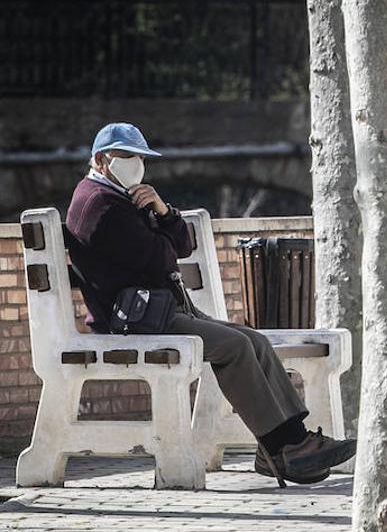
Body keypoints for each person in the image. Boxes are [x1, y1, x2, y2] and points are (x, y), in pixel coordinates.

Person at [64, 122, 356, 484]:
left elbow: (181, 245)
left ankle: (286, 446)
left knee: (255, 340)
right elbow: (161, 258)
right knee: (234, 347)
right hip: (136, 320)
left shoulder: (124, 197)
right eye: (125, 156)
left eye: (139, 157)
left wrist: (163, 212)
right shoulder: (99, 203)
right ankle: (286, 447)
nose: (135, 164)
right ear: (100, 160)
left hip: (160, 310)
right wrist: (159, 229)